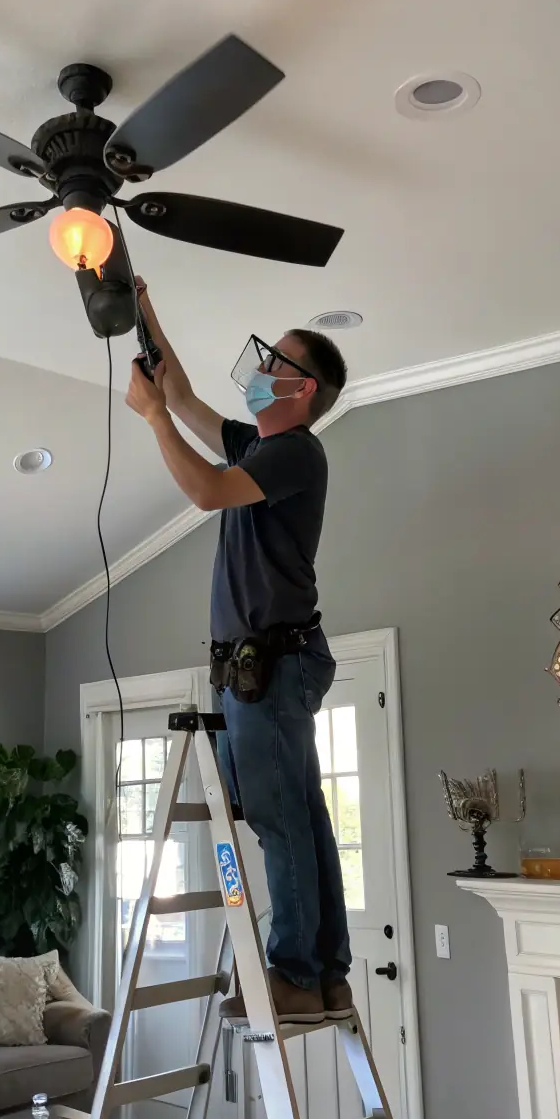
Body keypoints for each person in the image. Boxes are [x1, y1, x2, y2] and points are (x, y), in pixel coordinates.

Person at [124, 280, 352, 1025]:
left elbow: (205, 492)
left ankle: (294, 972)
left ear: (303, 388)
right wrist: (142, 305)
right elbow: (183, 392)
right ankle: (324, 973)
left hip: (271, 665)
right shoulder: (262, 442)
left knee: (281, 818)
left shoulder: (294, 452)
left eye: (275, 362)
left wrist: (153, 419)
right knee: (297, 814)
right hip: (263, 665)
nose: (260, 368)